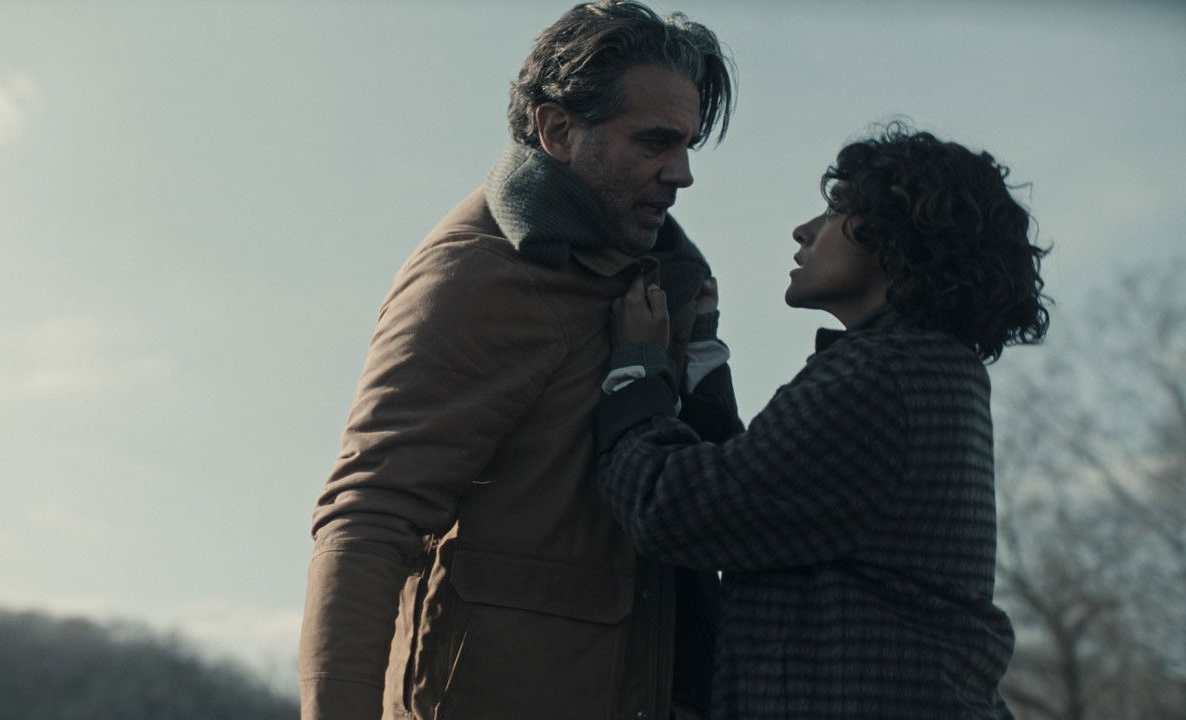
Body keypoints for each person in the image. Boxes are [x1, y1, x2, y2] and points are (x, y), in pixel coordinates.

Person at [297, 3, 735, 719]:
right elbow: (370, 514)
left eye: (687, 145)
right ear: (558, 131)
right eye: (655, 142)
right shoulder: (476, 272)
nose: (682, 173)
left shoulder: (663, 283)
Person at [595, 124, 1050, 718]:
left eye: (836, 210)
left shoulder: (884, 375)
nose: (804, 231)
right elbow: (765, 506)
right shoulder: (922, 369)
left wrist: (634, 370)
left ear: (896, 234)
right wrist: (700, 354)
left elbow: (671, 508)